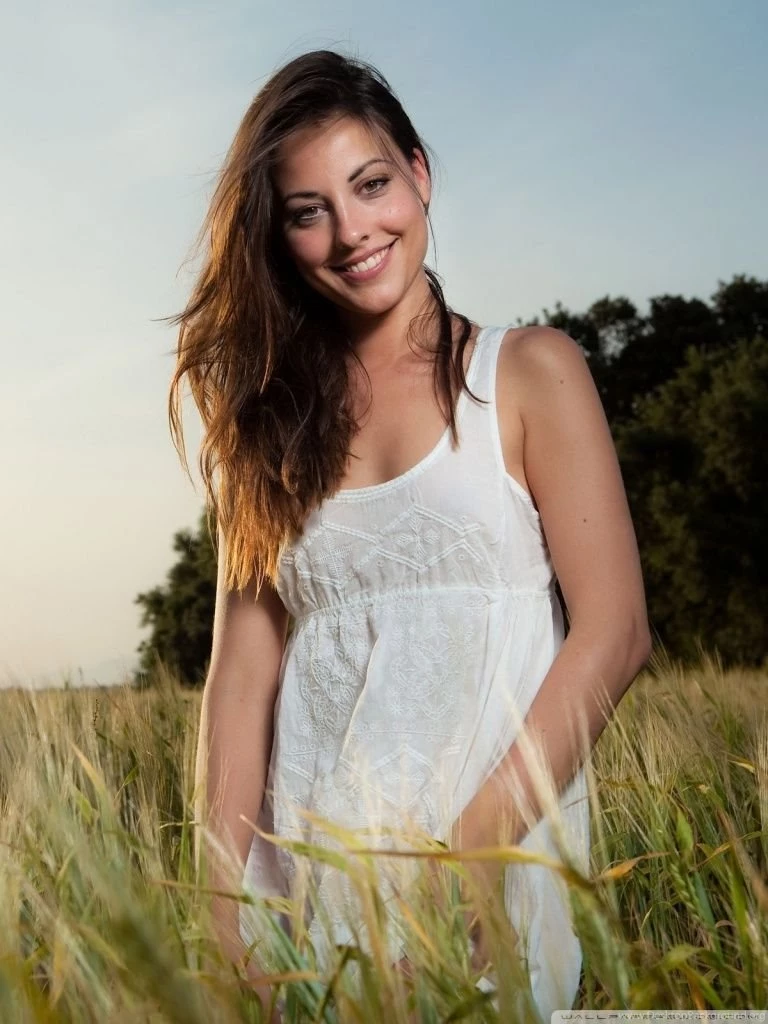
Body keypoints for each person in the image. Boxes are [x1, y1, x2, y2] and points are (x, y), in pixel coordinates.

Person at [170, 49, 652, 1023]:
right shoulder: (266, 427)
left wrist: (474, 854)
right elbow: (242, 680)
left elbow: (616, 631)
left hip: (486, 866)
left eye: (371, 184)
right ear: (279, 236)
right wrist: (222, 911)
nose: (353, 232)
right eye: (309, 211)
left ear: (420, 174)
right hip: (305, 888)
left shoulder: (529, 373)